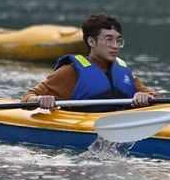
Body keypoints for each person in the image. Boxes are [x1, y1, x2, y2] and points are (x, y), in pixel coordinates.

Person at [21, 12, 158, 112]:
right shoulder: (70, 72)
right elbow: (27, 97)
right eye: (109, 39)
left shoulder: (125, 74)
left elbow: (156, 99)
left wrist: (145, 97)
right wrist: (40, 100)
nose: (115, 46)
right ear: (91, 41)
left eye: (118, 40)